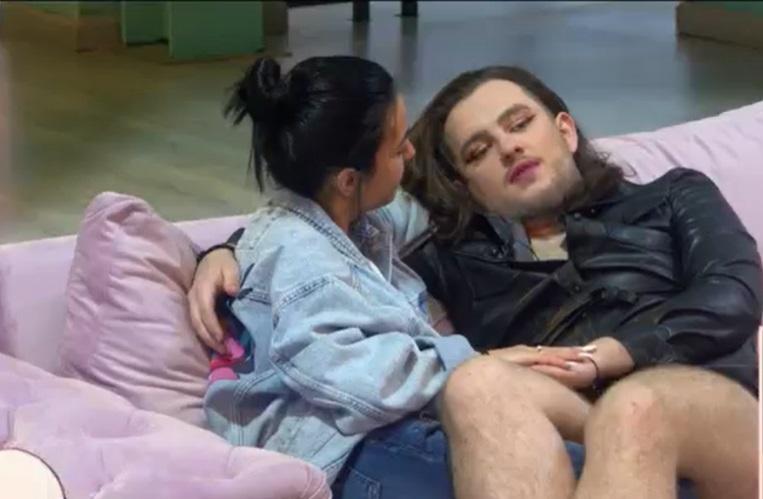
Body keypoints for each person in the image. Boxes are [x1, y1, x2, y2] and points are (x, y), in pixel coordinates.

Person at [195, 62, 760, 499]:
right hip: (575, 437)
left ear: (564, 129)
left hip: (708, 417)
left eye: (520, 124)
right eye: (478, 150)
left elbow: (735, 292)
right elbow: (321, 225)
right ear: (464, 184)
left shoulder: (671, 196)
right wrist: (228, 250)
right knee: (474, 381)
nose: (509, 147)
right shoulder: (452, 251)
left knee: (635, 407)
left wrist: (612, 354)